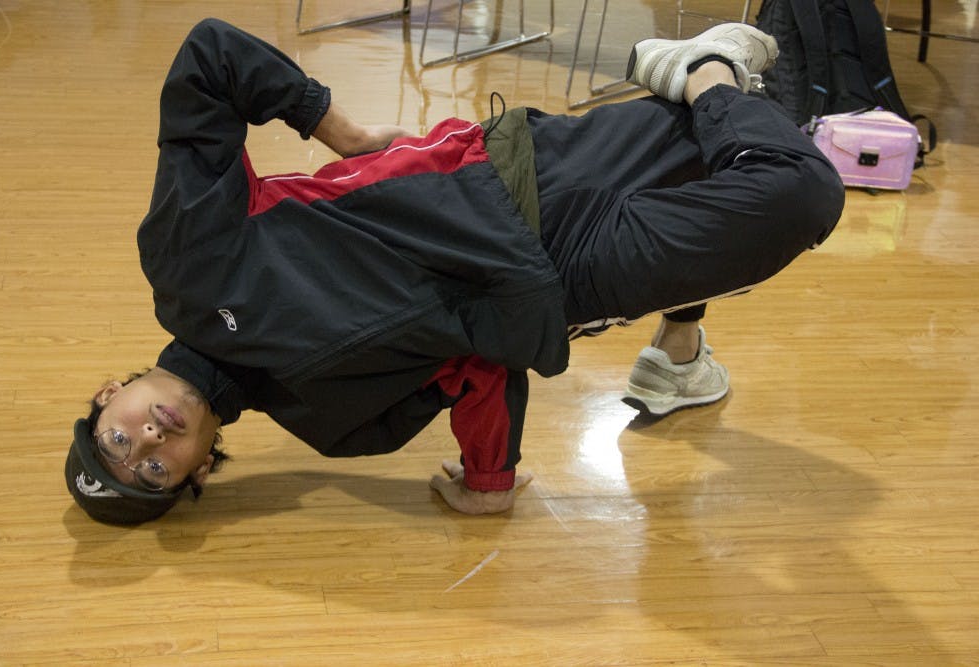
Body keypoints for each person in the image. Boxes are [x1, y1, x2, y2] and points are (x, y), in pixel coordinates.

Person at [65, 19, 844, 525]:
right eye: (154, 469)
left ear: (111, 392)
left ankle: (679, 349)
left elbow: (210, 60)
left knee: (732, 151)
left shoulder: (185, 265)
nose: (145, 442)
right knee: (799, 189)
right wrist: (489, 477)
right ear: (198, 473)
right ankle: (710, 71)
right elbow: (477, 367)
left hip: (512, 169)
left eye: (117, 437)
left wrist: (343, 132)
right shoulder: (332, 423)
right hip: (565, 275)